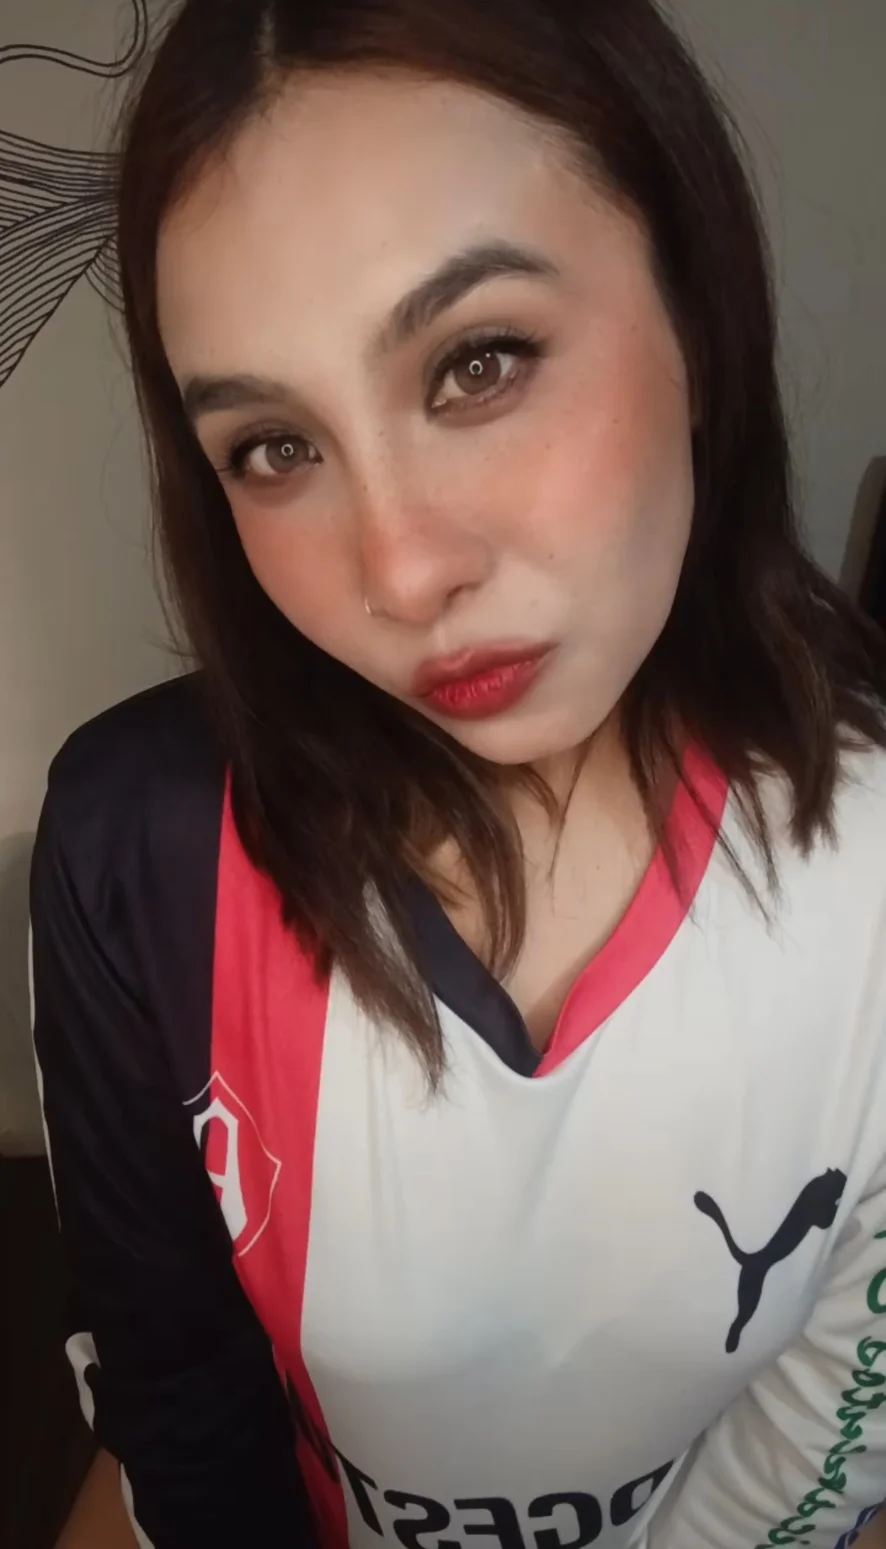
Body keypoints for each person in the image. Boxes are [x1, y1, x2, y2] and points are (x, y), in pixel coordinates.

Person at [29, 0, 886, 1545]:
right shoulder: (140, 850)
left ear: (694, 314)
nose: (401, 569)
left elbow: (835, 1416)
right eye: (275, 446)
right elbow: (181, 1394)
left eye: (477, 363)